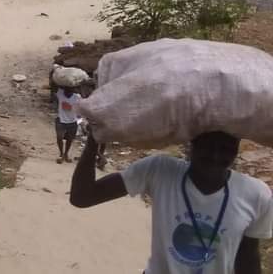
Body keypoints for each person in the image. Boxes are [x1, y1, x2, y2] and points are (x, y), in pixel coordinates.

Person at [70, 131, 273, 274]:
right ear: (191, 143)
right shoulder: (159, 171)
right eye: (207, 146)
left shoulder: (255, 194)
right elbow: (82, 197)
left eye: (226, 149)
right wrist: (92, 144)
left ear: (236, 150)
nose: (215, 156)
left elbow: (248, 258)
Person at [55, 86, 81, 164]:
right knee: (59, 137)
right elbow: (55, 84)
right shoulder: (60, 93)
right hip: (61, 120)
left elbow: (80, 108)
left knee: (69, 140)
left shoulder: (77, 97)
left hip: (72, 121)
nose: (68, 92)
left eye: (71, 89)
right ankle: (61, 153)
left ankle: (65, 154)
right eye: (67, 90)